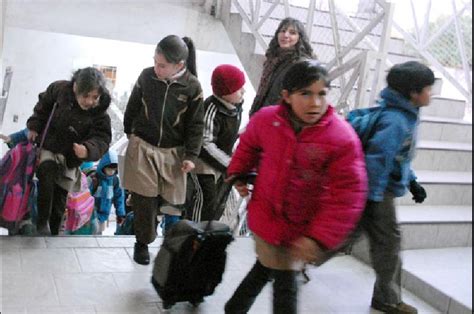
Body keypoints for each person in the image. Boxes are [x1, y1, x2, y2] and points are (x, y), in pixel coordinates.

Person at [224, 60, 367, 314]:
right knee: (270, 270)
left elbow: (347, 195)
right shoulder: (267, 120)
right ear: (286, 96)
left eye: (322, 94)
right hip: (267, 218)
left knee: (281, 280)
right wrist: (239, 174)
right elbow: (248, 144)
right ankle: (234, 308)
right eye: (305, 94)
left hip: (301, 231)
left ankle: (234, 308)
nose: (315, 103)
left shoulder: (341, 138)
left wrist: (319, 238)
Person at [354, 61, 434, 314]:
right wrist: (374, 198)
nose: (430, 94)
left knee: (351, 237)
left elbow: (399, 158)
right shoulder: (397, 120)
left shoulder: (404, 115)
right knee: (388, 246)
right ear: (413, 93)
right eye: (428, 89)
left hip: (378, 191)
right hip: (378, 193)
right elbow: (378, 160)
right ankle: (387, 300)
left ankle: (290, 261)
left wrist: (412, 182)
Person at [123, 35, 204, 265]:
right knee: (144, 199)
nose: (156, 68)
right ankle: (142, 242)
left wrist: (191, 155)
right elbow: (133, 104)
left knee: (171, 203)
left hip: (173, 153)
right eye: (155, 62)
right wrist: (129, 130)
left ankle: (171, 247)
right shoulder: (146, 76)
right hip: (144, 146)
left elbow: (196, 124)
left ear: (179, 65)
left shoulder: (193, 87)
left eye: (162, 65)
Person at [26, 67, 112, 235]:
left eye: (95, 97)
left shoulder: (100, 114)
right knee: (46, 174)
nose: (89, 101)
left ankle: (54, 229)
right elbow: (42, 106)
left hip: (71, 157)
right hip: (50, 145)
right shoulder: (59, 90)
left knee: (60, 194)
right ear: (75, 89)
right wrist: (34, 126)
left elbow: (102, 139)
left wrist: (87, 150)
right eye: (85, 96)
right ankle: (42, 223)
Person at [187, 64, 246, 222]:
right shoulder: (212, 109)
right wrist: (229, 164)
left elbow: (226, 135)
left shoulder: (235, 108)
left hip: (221, 165)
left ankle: (208, 236)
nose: (243, 91)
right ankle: (195, 235)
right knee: (204, 202)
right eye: (239, 89)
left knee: (217, 205)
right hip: (204, 167)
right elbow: (205, 143)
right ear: (225, 93)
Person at [249, 17, 314, 116]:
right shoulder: (273, 58)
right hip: (263, 114)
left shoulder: (300, 65)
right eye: (283, 31)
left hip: (279, 119)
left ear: (299, 38)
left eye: (292, 33)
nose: (285, 35)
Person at [90, 150, 126, 234]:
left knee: (98, 233)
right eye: (109, 169)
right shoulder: (94, 178)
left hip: (104, 215)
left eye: (114, 169)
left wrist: (120, 213)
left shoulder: (115, 180)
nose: (111, 171)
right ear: (103, 166)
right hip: (91, 215)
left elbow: (119, 197)